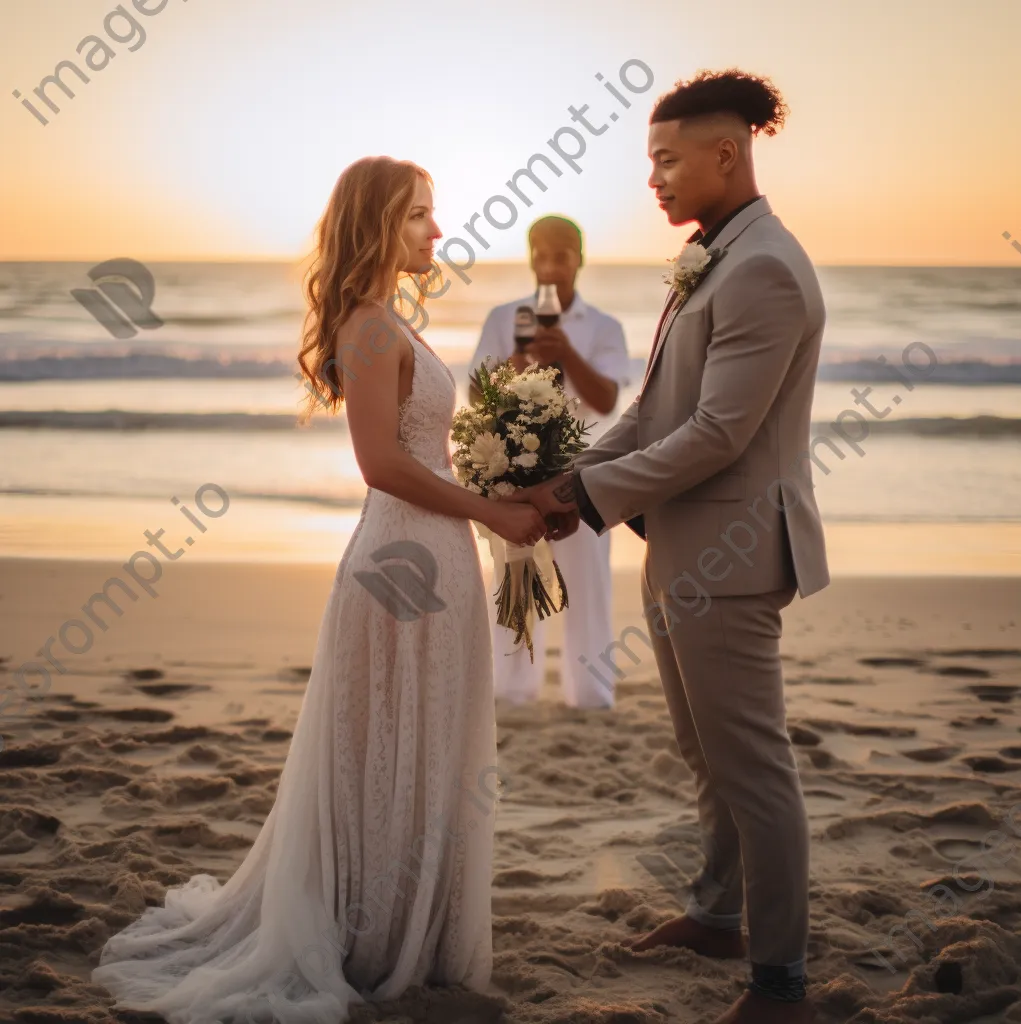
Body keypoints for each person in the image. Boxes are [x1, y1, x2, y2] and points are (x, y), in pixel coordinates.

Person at [91, 157, 547, 1023]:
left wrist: (508, 492)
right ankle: (373, 939)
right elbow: (382, 467)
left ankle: (411, 925)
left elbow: (426, 453)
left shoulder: (391, 321)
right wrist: (492, 511)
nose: (437, 232)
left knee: (428, 745)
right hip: (402, 565)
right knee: (388, 746)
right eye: (419, 216)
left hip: (438, 552)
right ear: (379, 225)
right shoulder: (370, 327)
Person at [506, 70, 829, 1024]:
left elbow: (721, 433)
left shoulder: (764, 267)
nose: (652, 179)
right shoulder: (711, 257)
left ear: (726, 154)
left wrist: (583, 496)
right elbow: (653, 409)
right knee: (706, 753)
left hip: (732, 557)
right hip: (680, 546)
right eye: (649, 161)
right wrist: (575, 480)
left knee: (755, 771)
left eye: (666, 159)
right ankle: (719, 915)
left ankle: (780, 986)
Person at [469, 215, 630, 709]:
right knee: (517, 582)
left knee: (586, 586)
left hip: (582, 476)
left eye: (560, 255)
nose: (549, 266)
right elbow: (476, 392)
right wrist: (515, 368)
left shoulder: (604, 327)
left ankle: (591, 696)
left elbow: (606, 401)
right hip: (515, 473)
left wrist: (566, 353)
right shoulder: (505, 317)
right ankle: (513, 692)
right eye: (539, 254)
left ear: (579, 258)